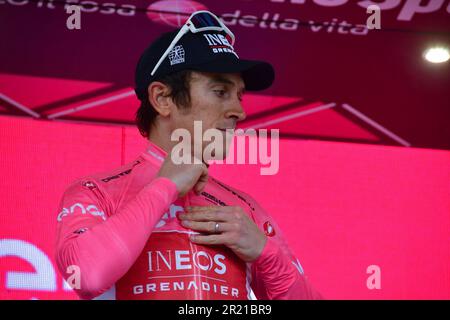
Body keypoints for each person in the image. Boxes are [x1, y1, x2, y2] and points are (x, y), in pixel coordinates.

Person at [55, 10, 322, 300]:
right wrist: (165, 187)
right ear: (162, 98)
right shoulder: (96, 192)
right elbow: (88, 275)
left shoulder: (245, 211)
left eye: (240, 96)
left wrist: (267, 254)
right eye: (221, 92)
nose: (240, 112)